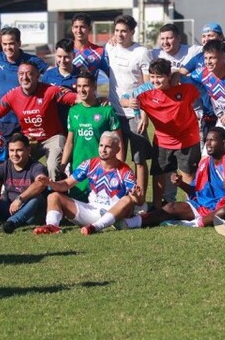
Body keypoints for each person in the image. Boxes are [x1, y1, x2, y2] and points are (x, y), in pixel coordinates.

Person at [120, 127, 225, 229]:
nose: (208, 143)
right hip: (204, 205)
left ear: (224, 143)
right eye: (207, 140)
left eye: (212, 140)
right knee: (170, 207)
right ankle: (133, 222)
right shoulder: (204, 164)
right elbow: (195, 191)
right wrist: (181, 184)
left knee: (224, 211)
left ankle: (195, 224)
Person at [122, 58, 200, 210]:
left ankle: (192, 207)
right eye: (152, 76)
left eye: (160, 77)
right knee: (159, 175)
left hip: (188, 139)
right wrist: (129, 103)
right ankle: (157, 208)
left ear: (169, 75)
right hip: (162, 140)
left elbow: (202, 86)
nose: (155, 80)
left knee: (187, 174)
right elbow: (123, 98)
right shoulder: (145, 90)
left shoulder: (184, 85)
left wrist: (180, 74)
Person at [34, 131, 144, 236]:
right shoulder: (90, 164)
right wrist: (51, 183)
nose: (103, 150)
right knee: (53, 197)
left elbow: (138, 201)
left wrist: (136, 197)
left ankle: (95, 227)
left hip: (113, 214)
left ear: (117, 149)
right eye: (101, 145)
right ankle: (52, 226)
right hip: (91, 210)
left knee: (127, 199)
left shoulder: (125, 171)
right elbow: (67, 184)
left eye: (108, 147)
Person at [0, 61, 77, 180]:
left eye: (29, 74)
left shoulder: (50, 91)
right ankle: (24, 194)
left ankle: (54, 195)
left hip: (53, 137)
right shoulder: (12, 95)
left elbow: (78, 99)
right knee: (17, 163)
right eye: (21, 74)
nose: (24, 77)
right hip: (29, 139)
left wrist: (99, 100)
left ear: (37, 76)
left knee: (52, 167)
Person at [106, 14, 152, 199]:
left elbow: (149, 85)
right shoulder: (109, 47)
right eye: (117, 31)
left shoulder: (141, 52)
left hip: (135, 114)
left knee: (139, 159)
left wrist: (144, 114)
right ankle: (119, 197)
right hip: (114, 113)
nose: (120, 34)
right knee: (116, 159)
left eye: (124, 31)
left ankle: (140, 199)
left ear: (132, 32)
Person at [62, 71, 122, 201]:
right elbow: (70, 141)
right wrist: (63, 164)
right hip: (78, 166)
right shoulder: (73, 111)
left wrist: (120, 166)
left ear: (94, 86)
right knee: (77, 207)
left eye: (86, 86)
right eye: (79, 86)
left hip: (102, 167)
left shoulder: (107, 111)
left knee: (101, 204)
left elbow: (119, 142)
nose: (82, 90)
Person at [0, 26, 48, 139]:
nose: (7, 47)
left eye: (11, 43)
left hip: (26, 119)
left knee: (26, 154)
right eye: (4, 44)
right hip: (3, 120)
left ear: (19, 43)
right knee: (4, 155)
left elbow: (51, 74)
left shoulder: (32, 61)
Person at [42, 39, 81, 132]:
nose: (62, 60)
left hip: (76, 124)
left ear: (74, 56)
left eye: (66, 57)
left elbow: (89, 98)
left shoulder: (81, 75)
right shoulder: (48, 75)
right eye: (59, 56)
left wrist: (71, 95)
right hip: (54, 125)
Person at [71, 12, 109, 79]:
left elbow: (104, 78)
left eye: (82, 27)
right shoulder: (66, 50)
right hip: (70, 89)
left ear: (90, 29)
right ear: (72, 29)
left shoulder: (100, 51)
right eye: (76, 27)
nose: (79, 31)